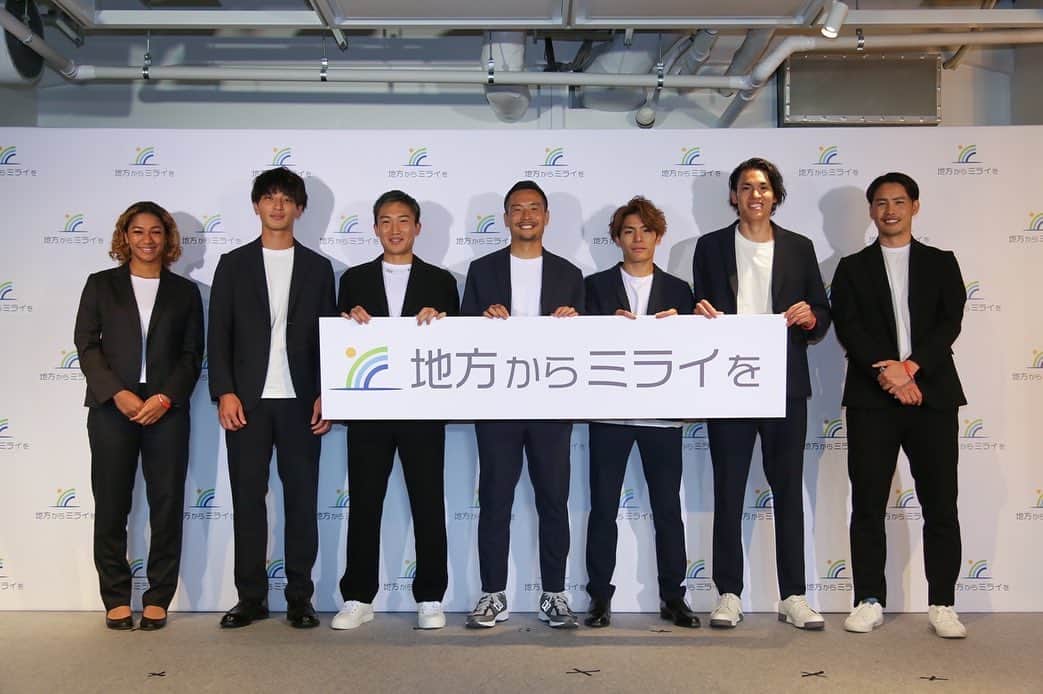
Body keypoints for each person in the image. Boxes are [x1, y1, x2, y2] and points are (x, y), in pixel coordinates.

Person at [692, 157, 830, 630]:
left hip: (784, 384)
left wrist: (811, 319)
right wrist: (698, 314)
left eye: (765, 187)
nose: (756, 195)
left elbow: (821, 313)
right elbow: (698, 308)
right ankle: (728, 593)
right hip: (728, 383)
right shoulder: (710, 247)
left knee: (787, 490)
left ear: (776, 195)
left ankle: (793, 595)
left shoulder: (799, 247)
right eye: (747, 187)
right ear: (734, 196)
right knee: (728, 490)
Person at [831, 172, 968, 638]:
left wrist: (910, 368)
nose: (890, 210)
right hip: (872, 399)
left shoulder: (941, 262)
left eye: (899, 202)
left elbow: (950, 322)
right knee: (868, 504)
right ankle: (869, 599)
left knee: (941, 504)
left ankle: (943, 602)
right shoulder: (851, 267)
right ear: (871, 211)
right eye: (881, 203)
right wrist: (888, 373)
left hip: (933, 395)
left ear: (915, 207)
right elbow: (849, 327)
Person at [208, 167, 336, 629]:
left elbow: (328, 338)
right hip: (247, 403)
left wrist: (327, 394)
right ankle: (251, 599)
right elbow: (218, 333)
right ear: (256, 205)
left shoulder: (319, 268)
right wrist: (224, 391)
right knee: (248, 502)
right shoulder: (233, 264)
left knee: (302, 502)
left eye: (286, 198)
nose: (277, 205)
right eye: (269, 197)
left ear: (300, 208)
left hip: (302, 402)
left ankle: (300, 598)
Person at [330, 190, 459, 631]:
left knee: (428, 503)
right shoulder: (353, 280)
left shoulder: (441, 281)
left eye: (403, 220)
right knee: (365, 504)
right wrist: (349, 321)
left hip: (423, 409)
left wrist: (441, 322)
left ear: (418, 227)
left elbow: (460, 344)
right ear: (375, 228)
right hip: (369, 410)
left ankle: (431, 596)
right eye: (385, 221)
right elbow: (337, 344)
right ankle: (357, 596)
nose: (395, 229)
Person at [74, 201, 204, 631]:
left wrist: (165, 397)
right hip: (113, 406)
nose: (147, 240)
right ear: (125, 237)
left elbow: (192, 354)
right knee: (112, 503)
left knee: (166, 503)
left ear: (167, 239)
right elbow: (86, 344)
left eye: (155, 232)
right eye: (138, 231)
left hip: (166, 407)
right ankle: (115, 596)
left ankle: (158, 597)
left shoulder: (185, 292)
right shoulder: (101, 285)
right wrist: (117, 393)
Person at [460, 180, 584, 629]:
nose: (526, 216)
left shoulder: (570, 274)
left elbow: (588, 345)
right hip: (497, 407)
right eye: (517, 209)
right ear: (505, 217)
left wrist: (574, 321)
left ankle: (554, 594)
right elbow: (463, 334)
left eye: (534, 208)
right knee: (495, 500)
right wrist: (482, 320)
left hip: (552, 408)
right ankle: (492, 594)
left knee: (554, 500)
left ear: (547, 217)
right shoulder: (481, 270)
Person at [582, 196, 698, 629]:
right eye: (628, 231)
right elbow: (576, 346)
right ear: (616, 238)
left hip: (662, 417)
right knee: (602, 509)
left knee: (668, 509)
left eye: (646, 230)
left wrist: (683, 327)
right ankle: (599, 598)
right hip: (608, 415)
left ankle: (674, 597)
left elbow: (695, 352)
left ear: (658, 237)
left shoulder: (680, 291)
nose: (637, 239)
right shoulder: (593, 287)